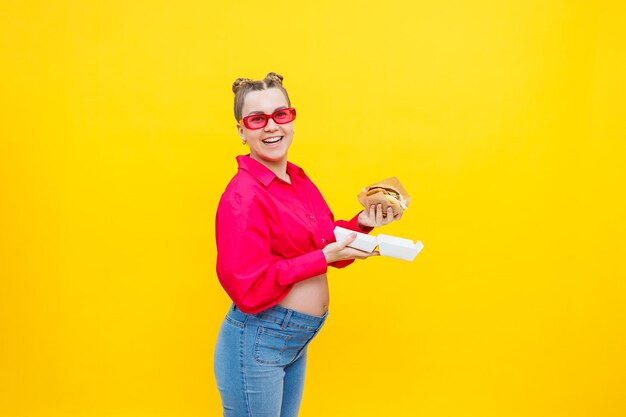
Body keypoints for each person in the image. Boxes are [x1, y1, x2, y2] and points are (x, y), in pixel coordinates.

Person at [213, 72, 402, 417]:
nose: (271, 127)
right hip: (259, 339)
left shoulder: (296, 180)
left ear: (292, 119)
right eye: (257, 119)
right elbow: (247, 288)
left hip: (291, 341)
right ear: (242, 131)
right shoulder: (243, 196)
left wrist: (362, 225)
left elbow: (324, 239)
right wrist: (322, 258)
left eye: (280, 114)